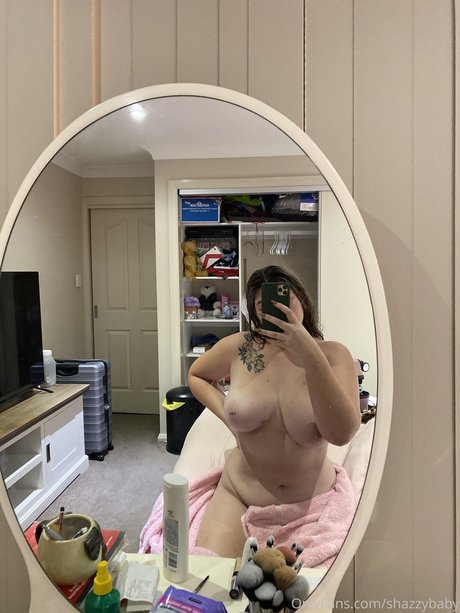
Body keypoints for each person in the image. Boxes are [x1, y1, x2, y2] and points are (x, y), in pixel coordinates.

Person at [188, 265, 361, 558]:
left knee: (309, 587)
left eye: (286, 300)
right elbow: (197, 375)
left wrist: (309, 353)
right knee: (212, 576)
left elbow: (342, 433)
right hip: (239, 495)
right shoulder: (240, 347)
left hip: (311, 505)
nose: (277, 309)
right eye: (264, 304)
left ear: (302, 301)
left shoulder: (333, 355)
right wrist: (229, 419)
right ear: (256, 313)